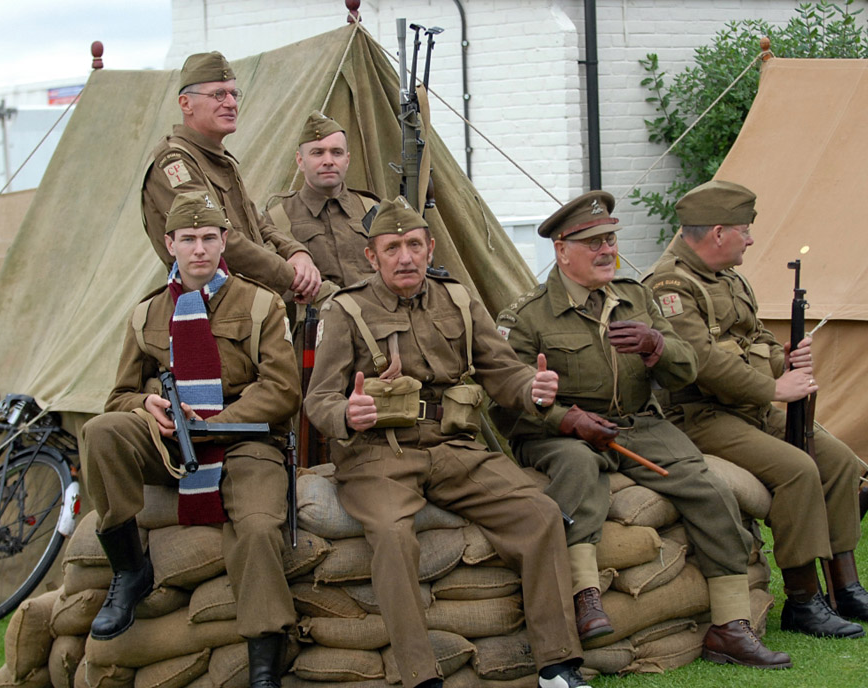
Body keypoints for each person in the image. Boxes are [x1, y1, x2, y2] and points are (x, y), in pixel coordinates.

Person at [490, 190, 792, 670]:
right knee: (577, 468)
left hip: (638, 425)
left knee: (708, 487)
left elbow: (685, 370)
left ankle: (731, 626)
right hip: (559, 432)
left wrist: (657, 346)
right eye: (592, 242)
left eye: (609, 239)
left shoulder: (637, 297)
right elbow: (503, 401)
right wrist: (561, 416)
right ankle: (586, 598)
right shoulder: (525, 316)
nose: (606, 250)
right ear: (561, 250)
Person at [304, 196, 588, 688]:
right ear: (371, 257)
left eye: (414, 245)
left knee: (540, 516)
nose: (405, 257)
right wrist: (346, 414)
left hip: (454, 447)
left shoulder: (456, 297)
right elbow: (319, 398)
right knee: (393, 538)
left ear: (430, 246)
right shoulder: (346, 308)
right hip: (378, 456)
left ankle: (557, 665)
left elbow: (501, 369)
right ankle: (421, 676)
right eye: (391, 248)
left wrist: (531, 389)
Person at [644, 179, 868, 639]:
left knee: (839, 461)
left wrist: (785, 356)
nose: (751, 239)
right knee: (797, 469)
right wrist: (775, 388)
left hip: (749, 406)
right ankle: (804, 600)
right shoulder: (670, 287)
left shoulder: (729, 279)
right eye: (745, 230)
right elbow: (701, 363)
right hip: (701, 415)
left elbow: (755, 335)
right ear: (719, 232)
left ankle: (846, 587)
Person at [82, 191, 300, 688]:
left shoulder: (262, 303)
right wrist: (147, 406)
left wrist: (215, 423)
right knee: (101, 431)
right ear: (169, 244)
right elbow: (118, 396)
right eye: (187, 239)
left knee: (260, 526)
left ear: (224, 240)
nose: (199, 249)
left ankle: (265, 659)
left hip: (247, 441)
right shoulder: (146, 315)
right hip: (170, 442)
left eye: (208, 237)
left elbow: (283, 389)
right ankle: (128, 569)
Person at [141, 50, 320, 303]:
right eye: (218, 94)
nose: (231, 103)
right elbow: (219, 238)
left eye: (233, 93)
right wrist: (290, 276)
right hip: (215, 306)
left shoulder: (217, 158)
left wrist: (296, 252)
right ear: (185, 103)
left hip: (253, 295)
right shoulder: (175, 164)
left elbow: (256, 223)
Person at [263, 110, 380, 292]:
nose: (328, 161)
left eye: (336, 153)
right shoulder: (276, 218)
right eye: (318, 153)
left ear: (347, 160)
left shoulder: (370, 209)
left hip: (375, 315)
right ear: (300, 161)